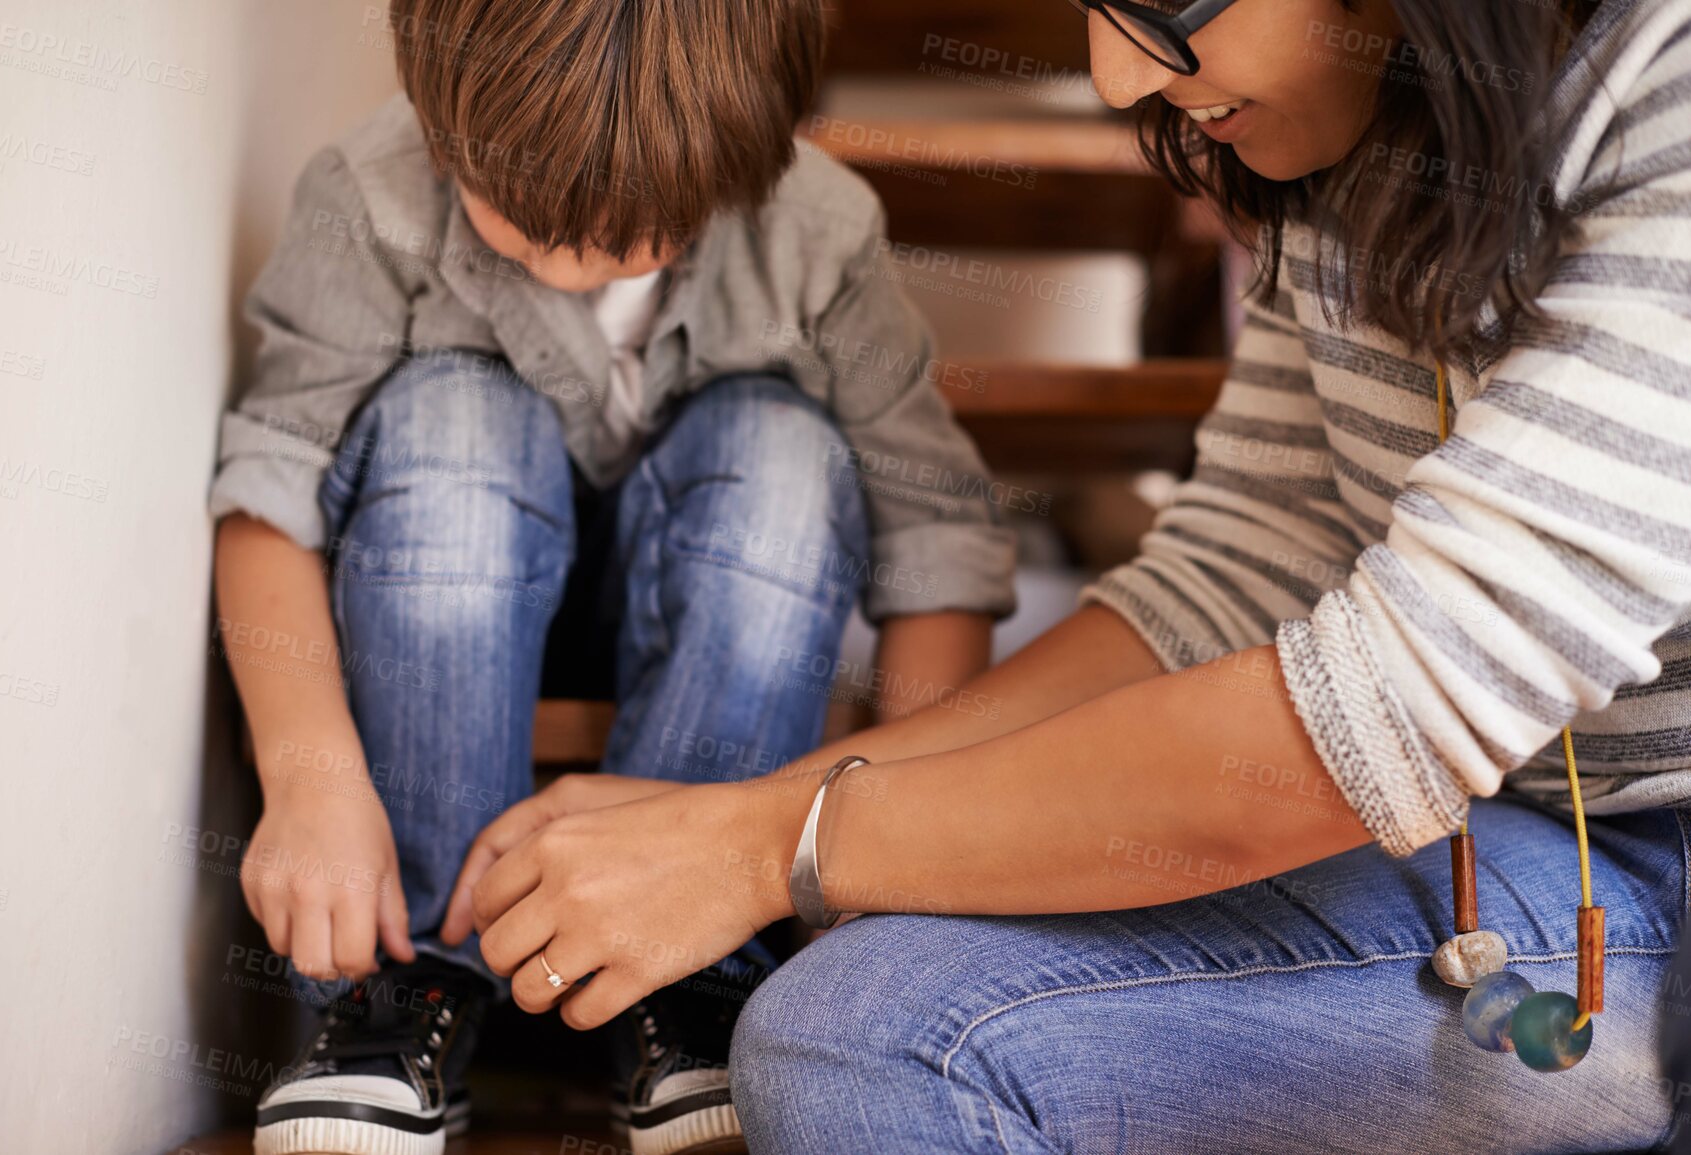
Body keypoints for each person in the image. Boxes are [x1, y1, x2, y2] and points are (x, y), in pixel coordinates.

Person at [454, 0, 1691, 1150]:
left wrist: (769, 841)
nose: (1115, 77)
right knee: (867, 980)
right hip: (1514, 833)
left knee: (869, 1040)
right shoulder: (1354, 127)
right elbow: (1231, 576)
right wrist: (774, 812)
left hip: (1649, 871)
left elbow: (1383, 708)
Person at [207, 0, 1017, 1151]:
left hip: (711, 664)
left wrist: (880, 844)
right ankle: (409, 990)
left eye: (628, 237)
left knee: (784, 445)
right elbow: (268, 495)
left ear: (745, 165)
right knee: (451, 411)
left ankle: (691, 979)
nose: (562, 263)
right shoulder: (371, 191)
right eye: (514, 221)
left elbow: (938, 544)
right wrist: (308, 778)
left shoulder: (821, 232)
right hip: (450, 622)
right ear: (442, 123)